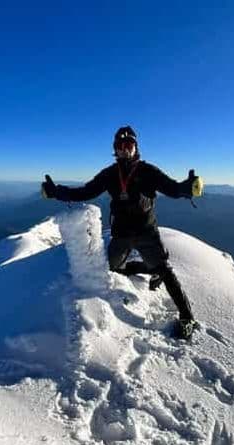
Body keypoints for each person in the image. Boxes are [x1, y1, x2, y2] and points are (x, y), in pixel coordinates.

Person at [41, 125, 204, 339]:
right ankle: (149, 270)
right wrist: (57, 192)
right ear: (115, 149)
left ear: (136, 147)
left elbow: (172, 188)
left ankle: (186, 318)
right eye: (120, 145)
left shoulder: (148, 171)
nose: (125, 149)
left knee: (165, 270)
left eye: (129, 144)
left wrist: (187, 187)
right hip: (122, 234)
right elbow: (85, 191)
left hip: (146, 232)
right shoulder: (110, 174)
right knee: (112, 268)